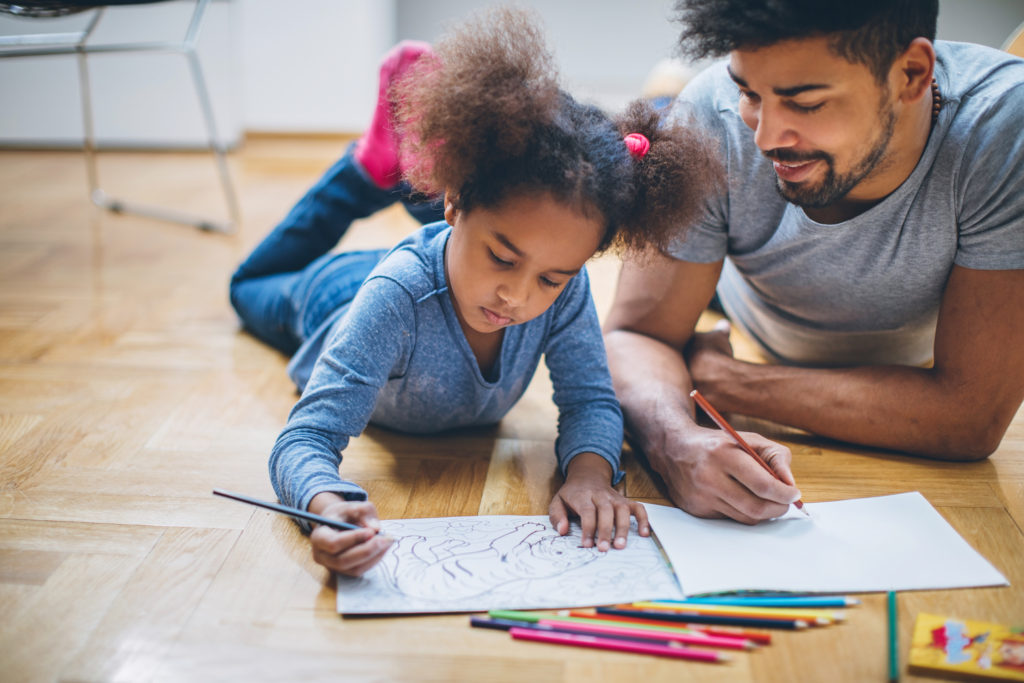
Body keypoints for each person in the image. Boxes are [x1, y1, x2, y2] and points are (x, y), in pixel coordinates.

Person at [229, 8, 716, 576]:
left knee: (513, 257)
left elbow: (590, 400)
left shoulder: (565, 289)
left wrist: (588, 475)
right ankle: (369, 169)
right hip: (333, 294)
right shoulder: (394, 297)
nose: (516, 294)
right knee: (248, 287)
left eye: (550, 277)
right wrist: (323, 505)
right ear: (453, 202)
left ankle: (407, 171)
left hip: (435, 259)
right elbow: (306, 438)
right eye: (503, 258)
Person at [604, 0, 1024, 525]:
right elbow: (633, 336)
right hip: (735, 286)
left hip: (857, 348)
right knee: (667, 134)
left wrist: (726, 380)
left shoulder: (1007, 130)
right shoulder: (715, 115)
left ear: (912, 74)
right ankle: (664, 97)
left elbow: (970, 418)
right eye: (750, 92)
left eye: (804, 102)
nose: (763, 139)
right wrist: (675, 442)